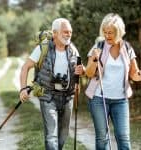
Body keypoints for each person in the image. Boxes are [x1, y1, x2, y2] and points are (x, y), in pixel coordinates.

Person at [19, 18, 84, 150]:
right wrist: (23, 89)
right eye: (65, 32)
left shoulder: (72, 49)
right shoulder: (42, 48)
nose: (69, 34)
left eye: (70, 32)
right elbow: (25, 67)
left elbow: (80, 70)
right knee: (51, 135)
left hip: (68, 97)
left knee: (63, 135)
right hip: (48, 95)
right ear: (55, 33)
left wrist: (81, 70)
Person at [85, 13, 141, 150]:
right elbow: (89, 73)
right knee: (102, 138)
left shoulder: (127, 48)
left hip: (121, 100)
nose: (107, 35)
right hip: (99, 98)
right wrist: (94, 59)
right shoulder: (98, 47)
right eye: (105, 32)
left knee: (123, 137)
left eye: (111, 32)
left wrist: (138, 74)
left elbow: (135, 74)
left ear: (119, 32)